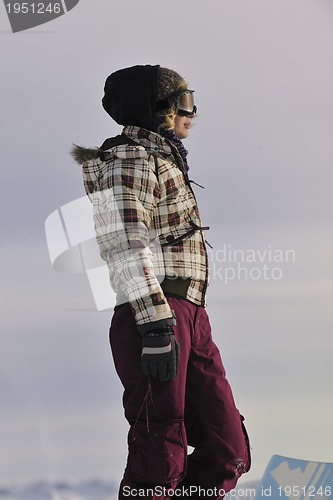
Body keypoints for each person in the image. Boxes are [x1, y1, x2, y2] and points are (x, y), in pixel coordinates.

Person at [72, 65, 251, 499]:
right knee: (161, 444)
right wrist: (154, 326)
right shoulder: (129, 159)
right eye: (185, 100)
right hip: (153, 313)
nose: (193, 111)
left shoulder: (163, 158)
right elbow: (125, 244)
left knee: (229, 449)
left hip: (190, 312)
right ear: (159, 109)